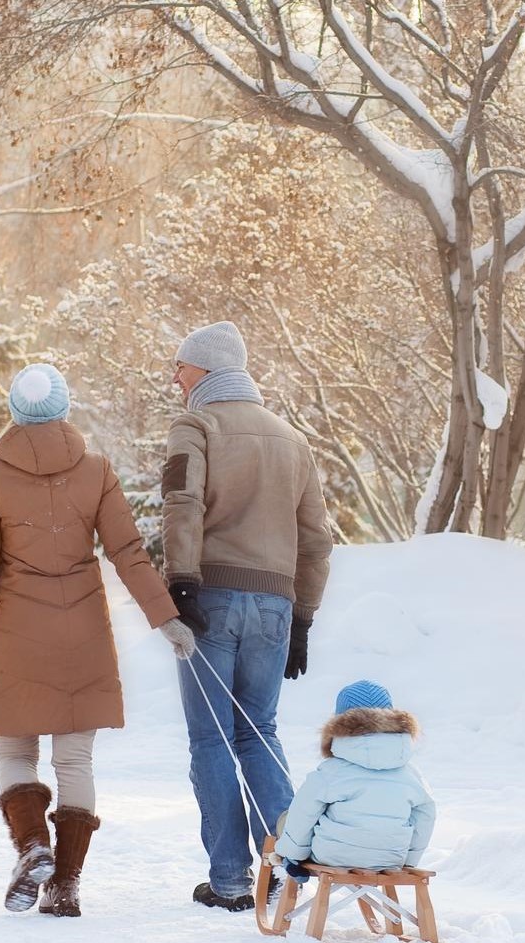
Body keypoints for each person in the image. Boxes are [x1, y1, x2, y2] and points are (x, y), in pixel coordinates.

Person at [0, 362, 197, 918]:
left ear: (15, 411)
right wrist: (166, 619)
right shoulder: (96, 470)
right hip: (84, 630)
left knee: (15, 748)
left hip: (19, 632)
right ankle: (65, 883)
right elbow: (128, 553)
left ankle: (33, 844)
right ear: (63, 407)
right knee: (75, 757)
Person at [162, 321, 334, 911]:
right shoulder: (292, 439)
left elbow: (181, 502)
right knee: (258, 730)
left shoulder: (195, 425)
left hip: (210, 597)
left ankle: (232, 880)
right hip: (275, 605)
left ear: (206, 370)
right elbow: (316, 540)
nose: (175, 376)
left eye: (180, 366)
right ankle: (289, 866)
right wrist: (303, 618)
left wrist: (180, 581)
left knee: (211, 735)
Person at [273, 680, 436, 874]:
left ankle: (292, 862)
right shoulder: (411, 774)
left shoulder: (331, 770)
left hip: (332, 855)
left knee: (292, 817)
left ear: (339, 722)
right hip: (390, 857)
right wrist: (409, 860)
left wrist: (293, 854)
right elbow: (426, 814)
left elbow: (304, 812)